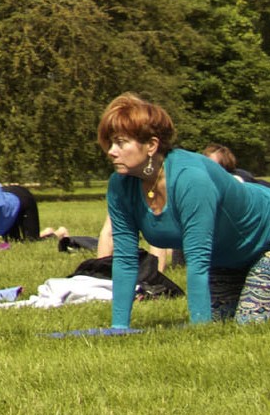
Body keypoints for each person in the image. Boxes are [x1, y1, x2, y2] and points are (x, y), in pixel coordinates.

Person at [100, 93, 270, 326]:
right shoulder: (120, 186)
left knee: (250, 323)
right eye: (110, 143)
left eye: (120, 142)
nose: (111, 151)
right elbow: (126, 259)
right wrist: (119, 327)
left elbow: (197, 259)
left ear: (151, 145)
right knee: (222, 322)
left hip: (265, 242)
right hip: (225, 261)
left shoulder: (191, 180)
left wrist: (199, 329)